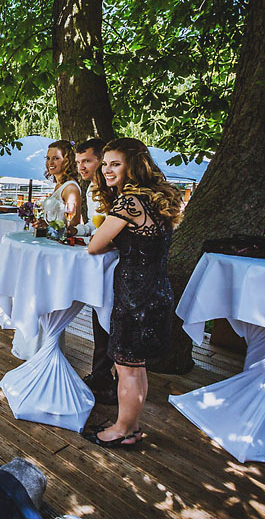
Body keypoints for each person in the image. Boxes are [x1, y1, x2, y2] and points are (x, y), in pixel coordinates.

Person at [84, 138, 183, 448]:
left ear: (133, 166)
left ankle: (122, 430)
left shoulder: (129, 202)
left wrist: (115, 240)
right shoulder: (156, 200)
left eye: (116, 164)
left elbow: (94, 244)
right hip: (157, 292)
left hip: (134, 296)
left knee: (127, 367)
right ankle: (133, 426)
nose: (107, 170)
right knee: (135, 365)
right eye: (106, 164)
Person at [68, 138, 116, 405]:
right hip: (99, 259)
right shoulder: (91, 190)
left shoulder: (116, 190)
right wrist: (77, 230)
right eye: (78, 162)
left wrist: (95, 239)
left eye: (87, 160)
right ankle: (100, 375)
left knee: (108, 315)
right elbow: (95, 227)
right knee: (99, 314)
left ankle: (108, 378)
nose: (81, 166)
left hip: (116, 262)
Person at [33, 140, 81, 231]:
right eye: (48, 158)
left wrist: (49, 228)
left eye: (56, 158)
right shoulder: (59, 185)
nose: (50, 162)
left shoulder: (70, 188)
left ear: (67, 160)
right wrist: (44, 223)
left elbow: (74, 225)